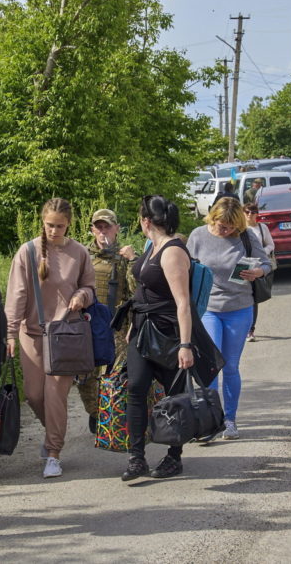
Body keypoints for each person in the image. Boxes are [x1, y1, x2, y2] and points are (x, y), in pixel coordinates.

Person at [5, 198, 95, 479]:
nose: (54, 231)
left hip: (65, 333)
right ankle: (54, 433)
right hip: (31, 333)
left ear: (69, 224)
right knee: (33, 395)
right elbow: (16, 295)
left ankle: (53, 452)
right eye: (49, 225)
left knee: (55, 395)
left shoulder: (78, 252)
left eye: (60, 226)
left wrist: (82, 296)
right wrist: (9, 333)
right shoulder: (28, 251)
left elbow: (89, 287)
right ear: (42, 222)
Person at [121, 195, 195, 481]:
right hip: (142, 330)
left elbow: (183, 303)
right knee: (136, 388)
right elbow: (144, 288)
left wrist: (186, 345)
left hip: (168, 334)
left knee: (174, 397)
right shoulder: (152, 246)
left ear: (146, 221)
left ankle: (173, 457)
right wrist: (134, 323)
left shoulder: (173, 251)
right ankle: (136, 458)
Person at [187, 197, 271, 440]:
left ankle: (230, 420)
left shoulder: (245, 237)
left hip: (239, 308)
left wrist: (258, 272)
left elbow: (267, 263)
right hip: (209, 308)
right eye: (222, 225)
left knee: (231, 366)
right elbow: (186, 266)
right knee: (211, 367)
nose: (226, 231)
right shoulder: (198, 236)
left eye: (231, 227)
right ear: (213, 218)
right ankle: (211, 420)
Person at [76, 209, 137, 434]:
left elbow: (136, 291)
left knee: (116, 373)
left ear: (117, 229)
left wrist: (133, 261)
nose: (103, 232)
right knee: (86, 375)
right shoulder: (83, 257)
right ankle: (96, 412)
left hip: (116, 325)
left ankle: (114, 413)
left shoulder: (125, 256)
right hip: (89, 325)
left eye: (107, 227)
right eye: (99, 227)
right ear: (92, 229)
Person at [243, 202, 275, 343]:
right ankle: (240, 328)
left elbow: (270, 244)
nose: (250, 214)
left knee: (253, 299)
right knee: (240, 297)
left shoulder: (262, 228)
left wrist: (263, 253)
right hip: (243, 265)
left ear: (257, 214)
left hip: (258, 267)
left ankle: (250, 330)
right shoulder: (239, 229)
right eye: (247, 212)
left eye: (253, 212)